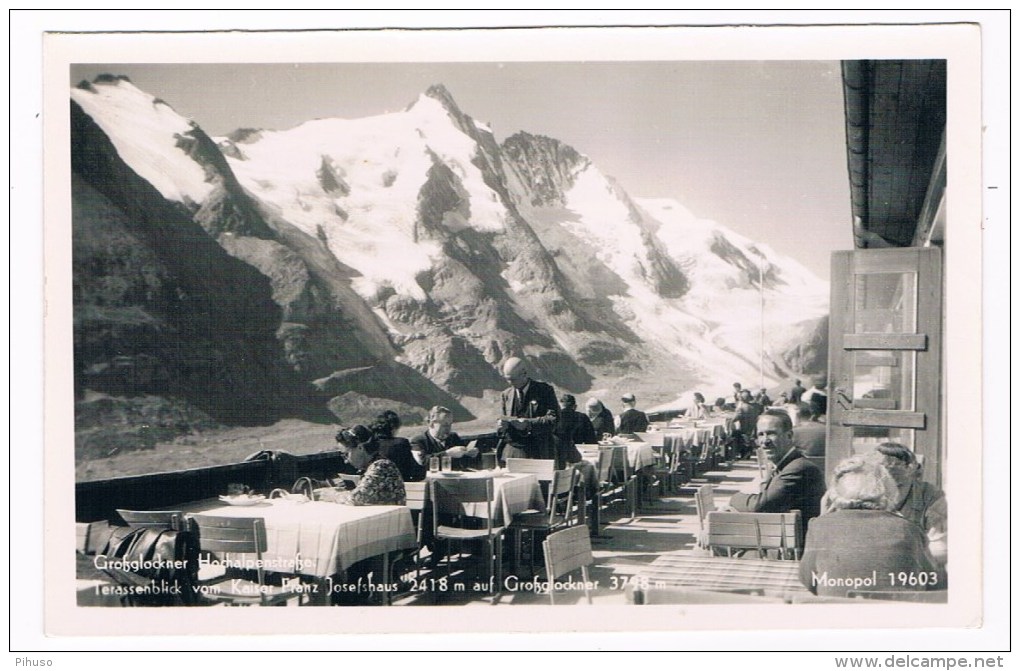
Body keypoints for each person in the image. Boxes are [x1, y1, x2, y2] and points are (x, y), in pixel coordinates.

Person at [799, 456, 944, 597]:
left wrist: (824, 518)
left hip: (839, 615)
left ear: (834, 494)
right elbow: (932, 581)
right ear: (887, 489)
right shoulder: (908, 529)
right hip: (897, 616)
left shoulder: (819, 527)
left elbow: (808, 581)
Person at [729, 409, 827, 547]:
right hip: (780, 540)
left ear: (789, 435)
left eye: (771, 433)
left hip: (793, 551)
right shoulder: (781, 465)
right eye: (760, 434)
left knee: (710, 544)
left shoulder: (799, 468)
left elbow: (759, 506)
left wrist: (733, 499)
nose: (765, 441)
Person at [870, 443, 948, 567]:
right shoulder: (862, 492)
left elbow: (941, 549)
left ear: (911, 473)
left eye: (898, 485)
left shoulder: (931, 496)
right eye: (884, 486)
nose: (891, 494)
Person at [498, 356, 559, 462]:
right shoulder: (506, 395)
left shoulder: (544, 391)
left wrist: (528, 424)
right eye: (508, 379)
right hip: (512, 453)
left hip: (538, 452)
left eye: (513, 379)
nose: (510, 383)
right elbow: (503, 420)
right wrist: (500, 426)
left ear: (524, 373)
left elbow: (554, 419)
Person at [339, 427, 407, 506]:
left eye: (346, 454)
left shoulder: (381, 466)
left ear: (360, 448)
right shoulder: (376, 465)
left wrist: (328, 494)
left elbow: (357, 498)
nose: (346, 461)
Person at [409, 406, 478, 474]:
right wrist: (447, 454)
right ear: (431, 423)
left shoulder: (453, 437)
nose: (448, 428)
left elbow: (465, 463)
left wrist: (471, 454)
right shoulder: (418, 441)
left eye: (450, 424)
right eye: (445, 425)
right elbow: (422, 462)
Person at [370, 412, 422, 484]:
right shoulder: (400, 444)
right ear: (394, 428)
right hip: (396, 491)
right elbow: (418, 474)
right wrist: (419, 459)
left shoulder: (369, 445)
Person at [553, 394, 595, 466]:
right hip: (577, 455)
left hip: (558, 458)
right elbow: (591, 441)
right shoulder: (582, 418)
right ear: (575, 407)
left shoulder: (553, 419)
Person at [731, 390, 761, 459]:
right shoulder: (755, 407)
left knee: (733, 434)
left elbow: (735, 419)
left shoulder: (741, 408)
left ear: (741, 398)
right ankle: (747, 452)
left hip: (744, 429)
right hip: (753, 429)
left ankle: (737, 454)